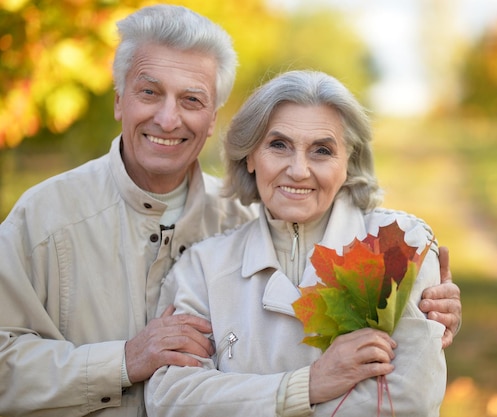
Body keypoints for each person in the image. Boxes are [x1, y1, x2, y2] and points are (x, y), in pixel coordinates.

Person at [0, 4, 460, 417]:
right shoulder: (45, 219)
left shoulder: (244, 220)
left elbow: (410, 395)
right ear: (119, 99)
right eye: (149, 93)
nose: (167, 118)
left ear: (214, 117)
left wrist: (428, 315)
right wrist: (123, 361)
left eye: (191, 100)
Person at [146, 70, 447, 417]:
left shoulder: (399, 244)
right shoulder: (203, 268)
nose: (299, 170)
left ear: (348, 162)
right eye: (279, 145)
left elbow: (409, 401)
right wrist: (309, 384)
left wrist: (236, 398)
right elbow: (171, 399)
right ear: (250, 156)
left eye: (322, 150)